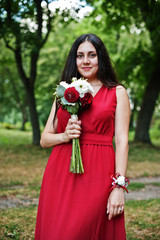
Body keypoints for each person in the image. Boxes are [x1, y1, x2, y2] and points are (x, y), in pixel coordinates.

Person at [35, 33, 130, 240]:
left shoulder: (117, 92)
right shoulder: (63, 92)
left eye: (92, 55)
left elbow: (122, 141)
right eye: (80, 55)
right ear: (74, 59)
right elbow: (44, 140)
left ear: (101, 58)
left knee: (82, 230)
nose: (85, 61)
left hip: (99, 174)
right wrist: (65, 136)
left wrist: (119, 186)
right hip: (60, 173)